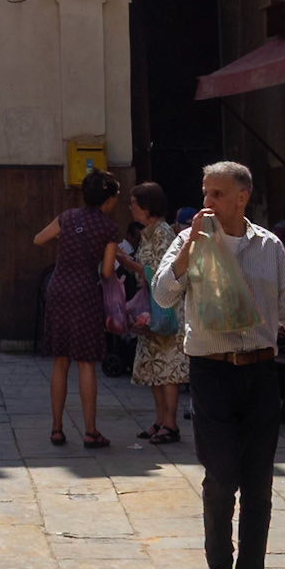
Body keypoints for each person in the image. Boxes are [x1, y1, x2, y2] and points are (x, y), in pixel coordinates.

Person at [153, 160, 285, 569]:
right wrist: (190, 246)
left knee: (259, 483)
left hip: (258, 373)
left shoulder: (268, 246)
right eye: (205, 192)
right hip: (211, 373)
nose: (207, 202)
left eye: (216, 194)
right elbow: (162, 295)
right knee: (221, 477)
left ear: (241, 198)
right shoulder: (186, 240)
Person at [35, 168, 121, 449]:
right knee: (86, 363)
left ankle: (57, 429)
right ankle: (90, 431)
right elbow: (107, 272)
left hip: (58, 289)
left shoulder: (67, 217)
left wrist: (66, 242)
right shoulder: (109, 228)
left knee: (60, 360)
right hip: (85, 292)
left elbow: (39, 238)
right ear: (108, 199)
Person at [126, 182, 186, 443]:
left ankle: (170, 423)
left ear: (147, 207)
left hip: (165, 309)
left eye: (134, 203)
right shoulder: (147, 234)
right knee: (154, 369)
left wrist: (127, 262)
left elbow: (164, 273)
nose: (130, 207)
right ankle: (160, 419)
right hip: (150, 307)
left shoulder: (162, 234)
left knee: (168, 369)